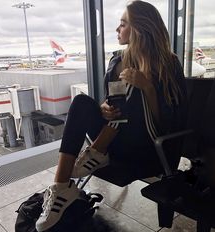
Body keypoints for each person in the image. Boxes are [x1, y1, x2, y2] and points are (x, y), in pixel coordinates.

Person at [36, 1, 187, 231]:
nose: (118, 29)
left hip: (150, 149)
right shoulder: (117, 61)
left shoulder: (169, 64)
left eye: (123, 24)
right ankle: (60, 187)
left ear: (139, 29)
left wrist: (147, 88)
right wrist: (103, 108)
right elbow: (113, 106)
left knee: (134, 88)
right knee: (81, 103)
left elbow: (168, 123)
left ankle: (95, 152)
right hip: (115, 142)